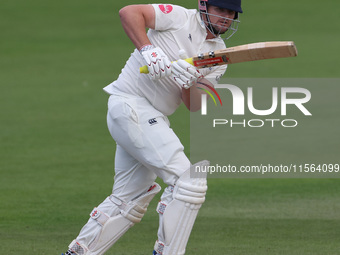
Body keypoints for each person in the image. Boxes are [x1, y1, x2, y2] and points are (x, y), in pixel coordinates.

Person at [63, 0, 242, 254]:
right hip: (130, 104)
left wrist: (189, 81)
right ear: (203, 5)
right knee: (189, 182)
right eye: (221, 10)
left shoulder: (219, 55)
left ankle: (77, 252)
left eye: (231, 12)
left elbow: (193, 105)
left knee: (129, 200)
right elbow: (129, 12)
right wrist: (149, 50)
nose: (226, 17)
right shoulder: (179, 17)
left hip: (149, 117)